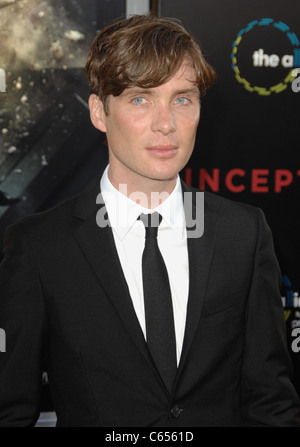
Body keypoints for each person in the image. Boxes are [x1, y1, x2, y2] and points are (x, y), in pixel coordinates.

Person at [0, 13, 299, 428]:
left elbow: (271, 404)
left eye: (182, 98)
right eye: (141, 98)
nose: (166, 124)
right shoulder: (38, 248)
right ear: (99, 112)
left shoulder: (242, 233)